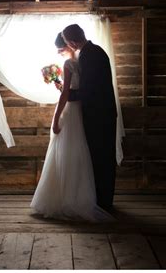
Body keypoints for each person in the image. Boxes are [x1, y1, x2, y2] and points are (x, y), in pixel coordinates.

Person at [30, 33, 114, 222]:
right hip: (81, 112)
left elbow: (66, 94)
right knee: (78, 152)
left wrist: (55, 119)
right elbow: (78, 88)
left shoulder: (69, 64)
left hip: (72, 111)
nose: (60, 53)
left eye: (61, 49)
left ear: (69, 45)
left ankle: (65, 197)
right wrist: (60, 85)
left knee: (64, 151)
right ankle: (79, 195)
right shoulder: (80, 61)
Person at [62, 24, 117, 210]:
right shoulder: (93, 51)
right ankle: (102, 200)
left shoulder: (90, 55)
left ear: (71, 41)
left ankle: (103, 202)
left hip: (99, 115)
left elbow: (90, 89)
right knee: (100, 157)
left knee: (101, 158)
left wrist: (68, 95)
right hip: (101, 113)